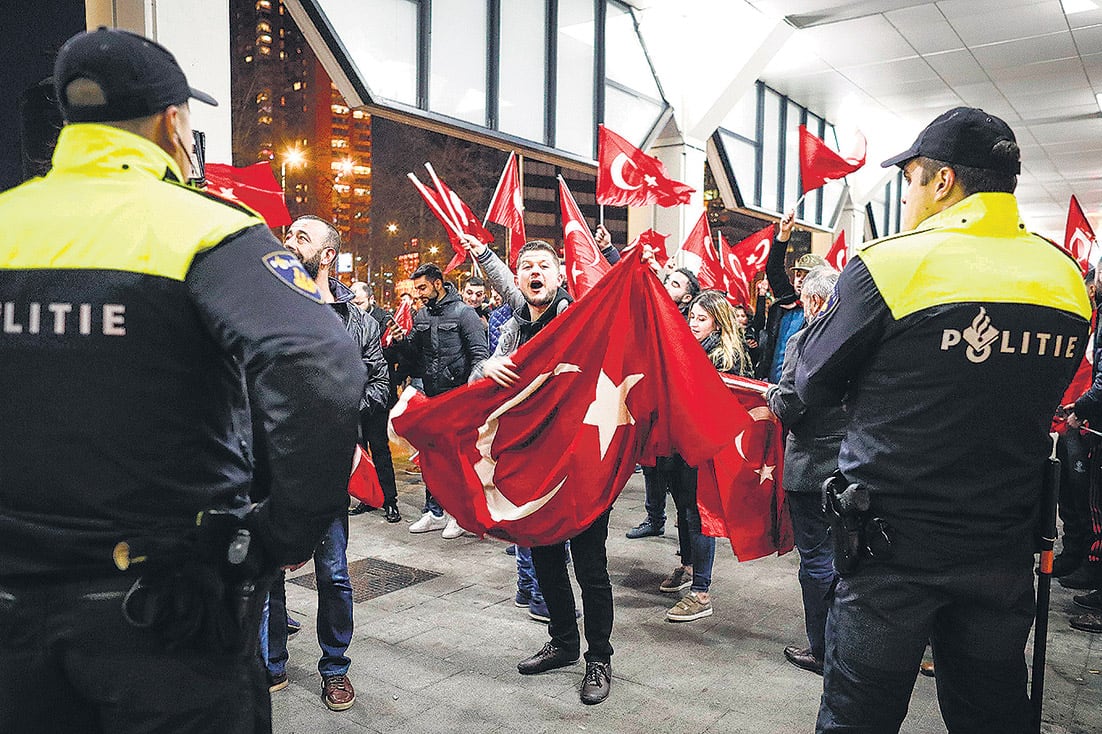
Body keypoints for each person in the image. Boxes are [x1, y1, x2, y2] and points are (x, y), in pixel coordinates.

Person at [0, 27, 363, 733]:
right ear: (173, 123)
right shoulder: (204, 230)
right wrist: (271, 537)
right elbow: (321, 367)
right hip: (164, 608)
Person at [796, 107, 1091, 733]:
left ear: (943, 181)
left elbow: (811, 384)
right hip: (1003, 548)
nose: (907, 195)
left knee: (858, 716)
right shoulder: (1065, 277)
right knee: (992, 713)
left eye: (910, 179)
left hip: (891, 554)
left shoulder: (891, 265)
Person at [465, 233, 615, 705]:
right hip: (534, 468)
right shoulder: (512, 329)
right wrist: (486, 368)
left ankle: (599, 659)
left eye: (543, 267)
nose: (534, 273)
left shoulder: (577, 319)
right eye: (526, 266)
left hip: (583, 467)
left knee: (590, 567)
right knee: (546, 561)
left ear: (560, 275)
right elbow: (479, 389)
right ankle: (564, 644)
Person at [260, 216, 389, 712]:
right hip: (274, 466)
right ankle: (270, 664)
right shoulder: (266, 307)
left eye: (302, 237)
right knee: (269, 572)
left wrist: (337, 407)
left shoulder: (357, 321)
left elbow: (379, 383)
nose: (290, 241)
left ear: (327, 254)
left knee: (333, 573)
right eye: (288, 234)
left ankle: (335, 669)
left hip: (331, 469)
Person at [764, 265, 845, 675]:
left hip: (811, 470)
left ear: (813, 301)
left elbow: (790, 405)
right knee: (848, 562)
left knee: (815, 563)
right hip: (853, 468)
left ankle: (822, 650)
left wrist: (771, 394)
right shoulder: (861, 342)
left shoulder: (805, 342)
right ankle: (847, 644)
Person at [662, 290, 754, 623]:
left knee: (700, 518)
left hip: (707, 450)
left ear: (717, 320)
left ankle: (701, 592)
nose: (693, 323)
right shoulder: (699, 347)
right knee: (685, 512)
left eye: (701, 318)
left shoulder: (723, 355)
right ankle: (689, 566)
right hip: (686, 445)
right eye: (692, 317)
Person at [389, 262, 489, 538]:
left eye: (422, 287)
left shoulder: (464, 314)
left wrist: (471, 396)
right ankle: (434, 512)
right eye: (416, 288)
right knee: (431, 458)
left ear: (437, 283)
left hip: (457, 401)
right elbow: (413, 357)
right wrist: (400, 341)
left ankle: (459, 515)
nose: (418, 293)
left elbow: (480, 355)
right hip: (431, 399)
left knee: (457, 461)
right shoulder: (421, 316)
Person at [626, 267, 701, 541]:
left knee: (678, 484)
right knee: (651, 465)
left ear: (687, 296)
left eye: (675, 284)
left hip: (675, 414)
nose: (668, 285)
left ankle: (688, 552)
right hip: (653, 403)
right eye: (667, 281)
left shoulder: (683, 323)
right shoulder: (658, 313)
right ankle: (654, 517)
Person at [348, 281, 402, 522]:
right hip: (353, 398)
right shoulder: (348, 319)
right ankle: (367, 497)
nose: (355, 306)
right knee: (360, 452)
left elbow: (389, 360)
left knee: (380, 450)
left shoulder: (382, 320)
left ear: (370, 299)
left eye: (359, 302)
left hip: (376, 397)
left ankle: (390, 501)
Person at [753, 208, 826, 381]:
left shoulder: (825, 314)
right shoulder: (786, 302)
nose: (800, 280)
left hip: (796, 392)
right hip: (768, 384)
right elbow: (774, 269)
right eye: (798, 274)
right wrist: (784, 234)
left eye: (806, 275)